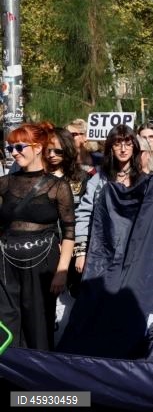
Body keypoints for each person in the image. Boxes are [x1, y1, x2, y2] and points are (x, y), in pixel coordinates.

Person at [0, 122, 75, 350]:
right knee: (6, 323)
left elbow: (69, 231)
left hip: (42, 264)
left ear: (38, 147)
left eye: (20, 146)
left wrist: (62, 272)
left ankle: (37, 383)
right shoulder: (4, 183)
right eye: (10, 147)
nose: (14, 152)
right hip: (5, 263)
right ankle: (7, 379)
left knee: (38, 325)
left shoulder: (58, 186)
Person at [75, 125, 145, 276]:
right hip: (102, 251)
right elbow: (84, 213)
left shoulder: (143, 178)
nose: (123, 149)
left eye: (128, 143)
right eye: (117, 143)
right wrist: (81, 253)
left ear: (134, 146)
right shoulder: (99, 178)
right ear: (110, 147)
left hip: (135, 251)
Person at [45, 127, 88, 276]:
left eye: (58, 151)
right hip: (47, 248)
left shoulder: (81, 177)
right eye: (48, 150)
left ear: (67, 150)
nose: (52, 155)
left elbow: (84, 214)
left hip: (76, 249)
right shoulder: (39, 178)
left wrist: (78, 249)